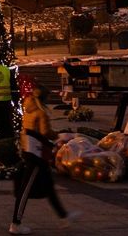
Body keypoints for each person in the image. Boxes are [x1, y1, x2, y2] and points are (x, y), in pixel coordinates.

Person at [11, 83, 78, 234]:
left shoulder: (28, 108)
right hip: (35, 154)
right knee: (25, 189)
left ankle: (63, 216)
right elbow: (45, 132)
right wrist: (60, 135)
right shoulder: (41, 113)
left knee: (48, 184)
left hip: (28, 148)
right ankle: (15, 223)